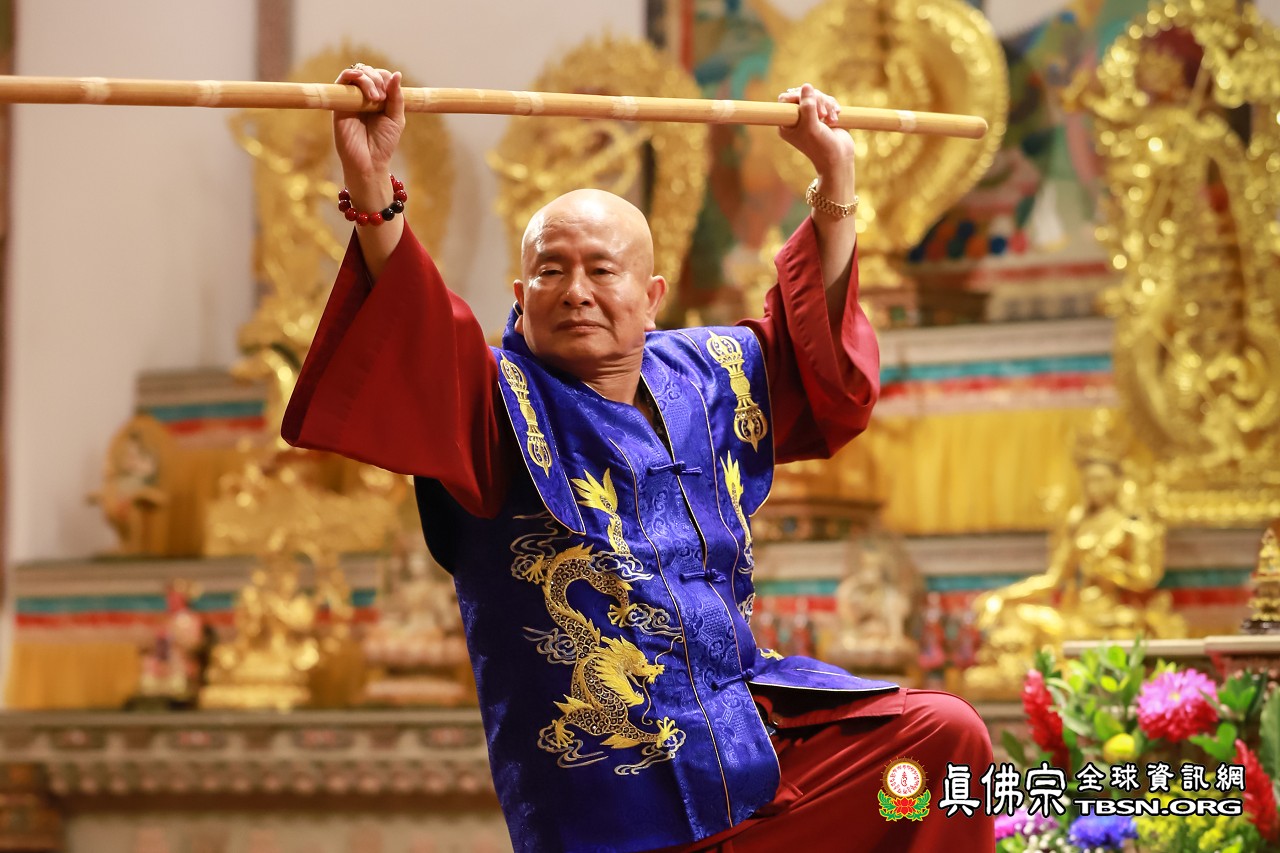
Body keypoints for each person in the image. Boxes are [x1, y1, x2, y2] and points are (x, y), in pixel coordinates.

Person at [284, 63, 994, 853]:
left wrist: (834, 179)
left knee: (942, 741)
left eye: (600, 269)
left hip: (746, 749)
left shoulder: (709, 374)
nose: (575, 290)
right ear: (520, 294)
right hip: (620, 801)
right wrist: (373, 186)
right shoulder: (494, 399)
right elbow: (418, 333)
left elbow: (820, 366)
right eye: (550, 270)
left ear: (653, 296)